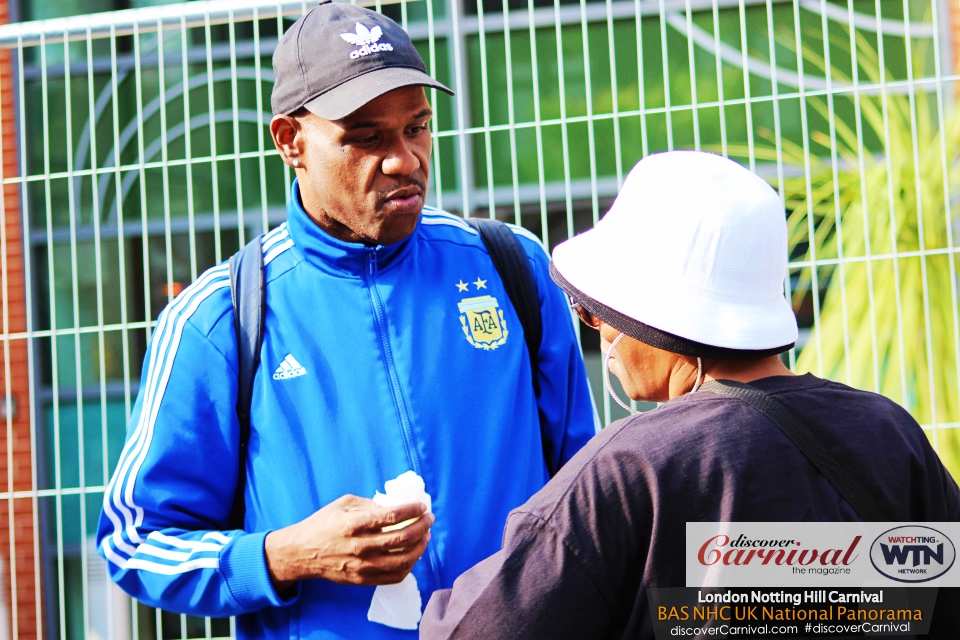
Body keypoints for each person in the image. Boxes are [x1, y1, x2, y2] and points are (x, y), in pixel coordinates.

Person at [96, 2, 596, 637]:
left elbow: (587, 490)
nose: (405, 159)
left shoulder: (511, 266)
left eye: (418, 127)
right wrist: (288, 555)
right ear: (290, 142)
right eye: (366, 138)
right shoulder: (220, 318)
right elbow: (134, 542)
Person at [419, 150, 960, 639]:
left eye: (597, 312)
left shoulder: (633, 470)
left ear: (651, 317)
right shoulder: (887, 432)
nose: (598, 332)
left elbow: (475, 631)